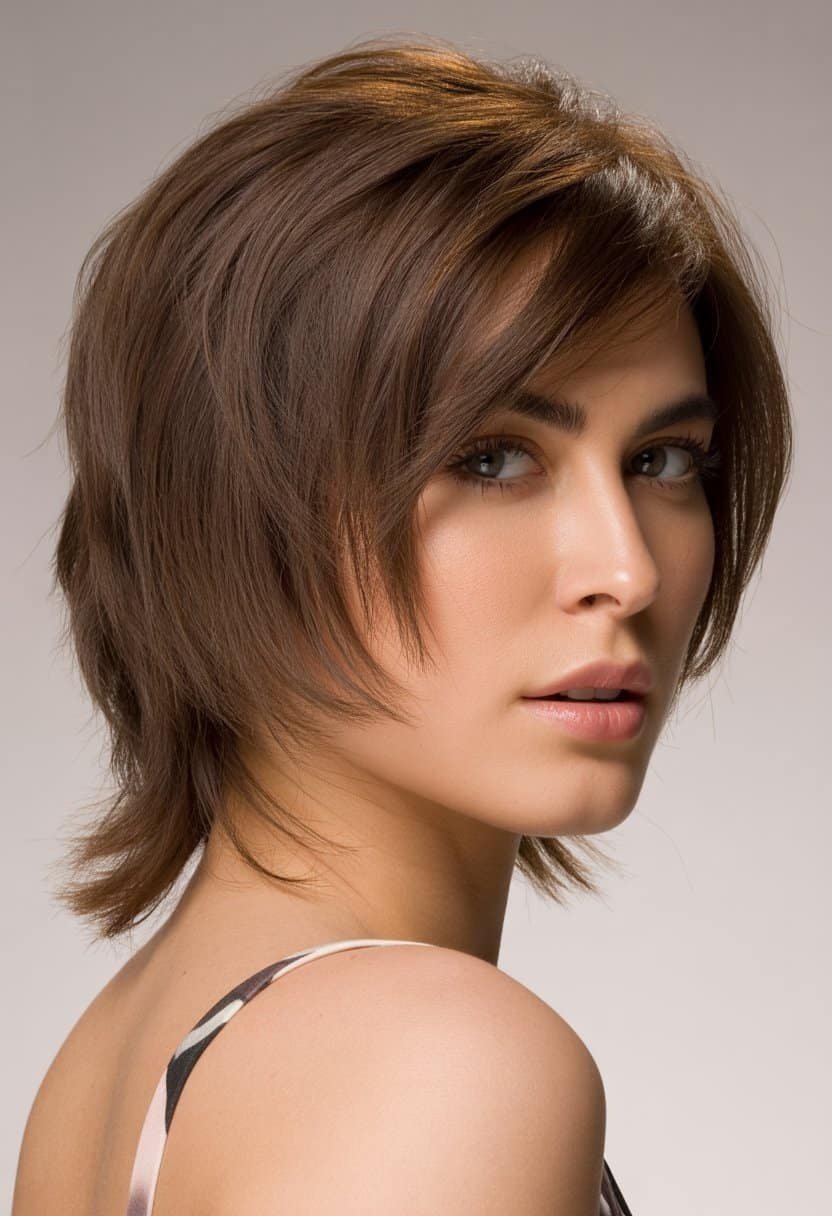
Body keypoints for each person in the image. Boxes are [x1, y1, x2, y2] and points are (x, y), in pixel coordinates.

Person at [12, 37, 792, 1216]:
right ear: (236, 502)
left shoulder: (115, 1064)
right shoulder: (435, 1064)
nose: (626, 569)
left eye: (663, 459)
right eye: (490, 458)